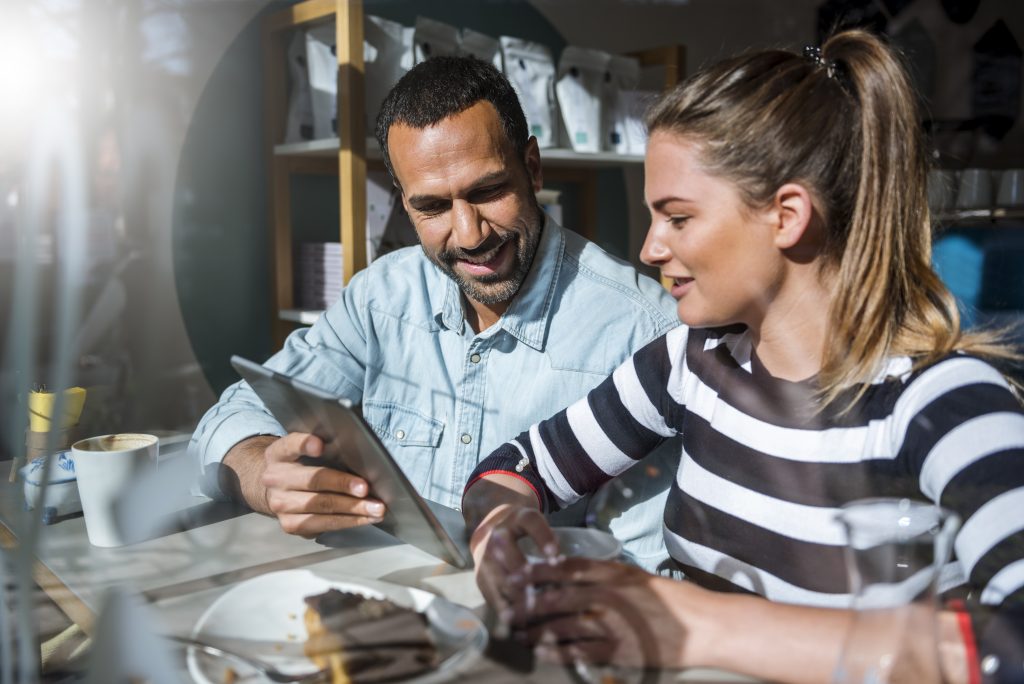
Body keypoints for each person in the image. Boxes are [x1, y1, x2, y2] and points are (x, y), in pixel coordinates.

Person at [463, 30, 1024, 684]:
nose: (649, 248)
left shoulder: (942, 401)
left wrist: (699, 623)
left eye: (677, 217)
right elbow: (516, 466)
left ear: (786, 216)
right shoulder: (689, 361)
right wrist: (501, 529)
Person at [190, 55, 680, 568]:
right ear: (404, 204)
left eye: (487, 192)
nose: (469, 235)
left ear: (532, 168)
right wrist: (267, 475)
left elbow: (645, 573)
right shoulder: (381, 297)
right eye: (433, 208)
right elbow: (229, 418)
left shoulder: (642, 333)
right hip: (384, 614)